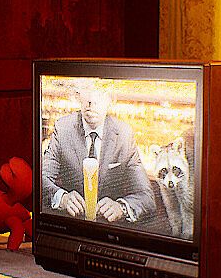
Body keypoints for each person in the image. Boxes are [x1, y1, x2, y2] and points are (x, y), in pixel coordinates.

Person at [42, 80, 156, 224]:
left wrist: (121, 207)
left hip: (109, 229)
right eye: (86, 90)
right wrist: (61, 198)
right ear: (78, 95)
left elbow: (147, 197)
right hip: (72, 225)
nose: (91, 101)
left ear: (111, 99)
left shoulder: (124, 134)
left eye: (99, 93)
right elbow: (41, 178)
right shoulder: (63, 128)